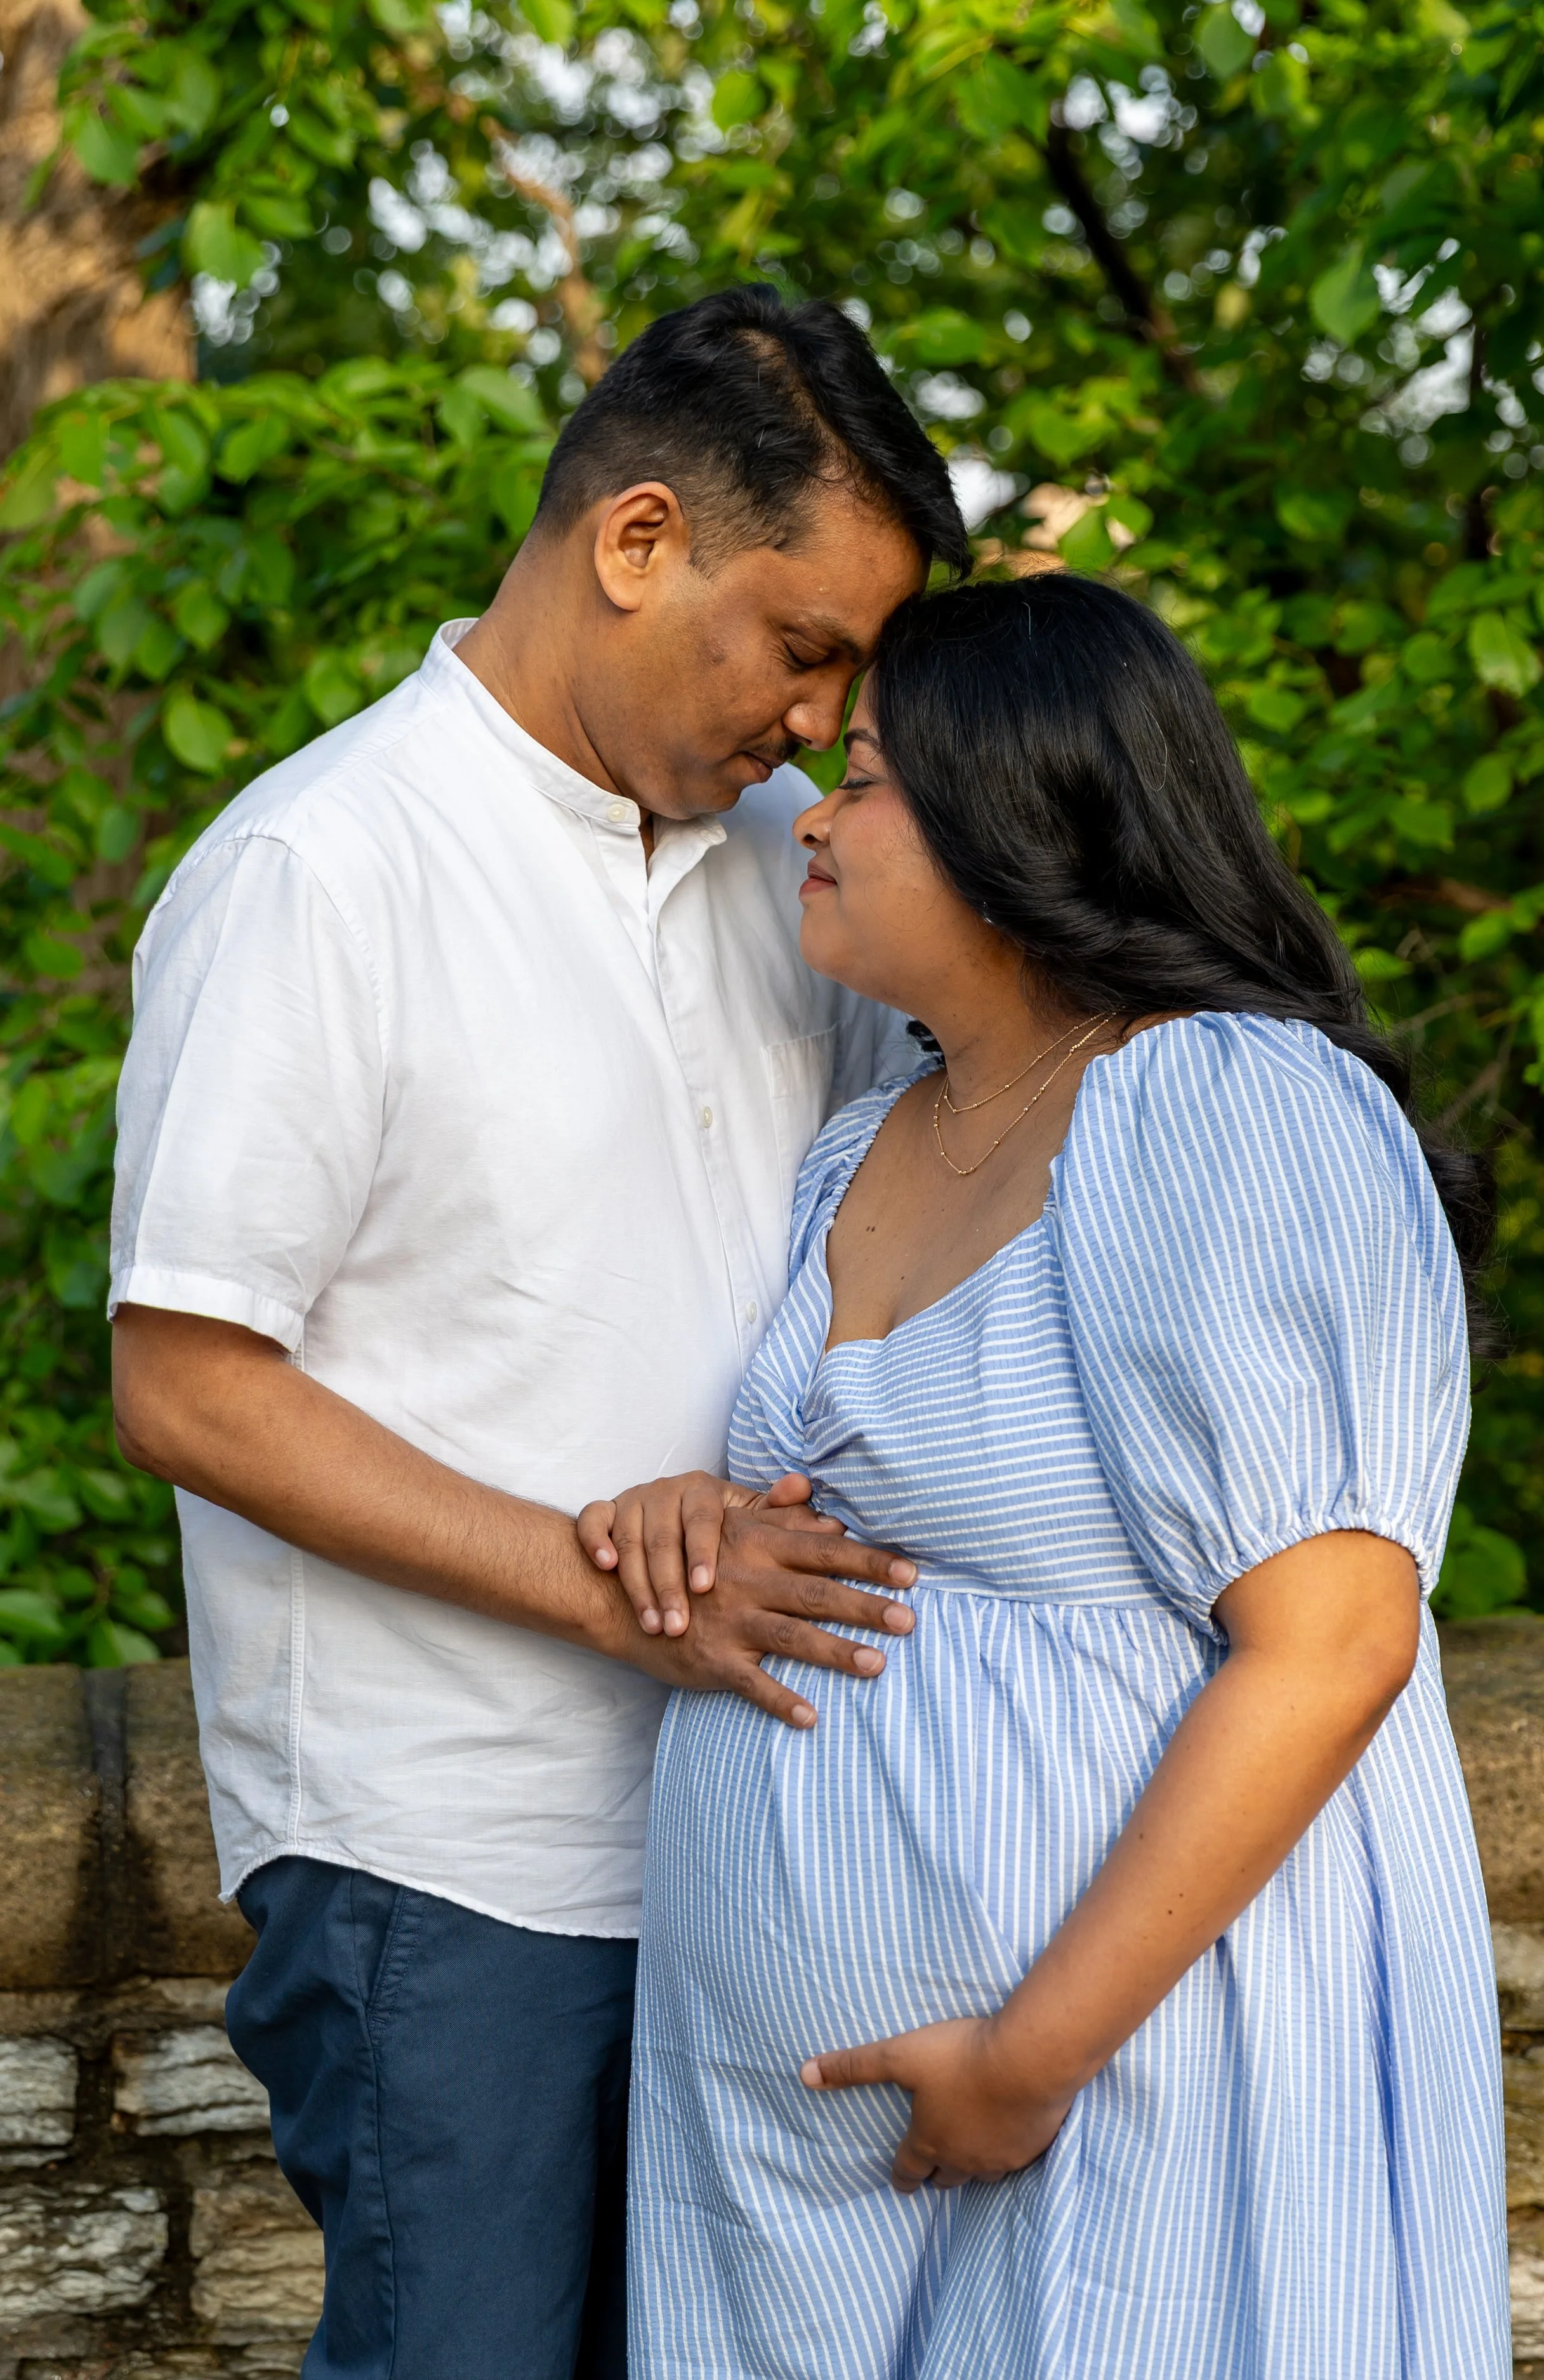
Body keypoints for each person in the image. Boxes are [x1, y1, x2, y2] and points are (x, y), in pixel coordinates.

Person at [106, 286, 968, 2380]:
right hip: (449, 1853)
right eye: (803, 646)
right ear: (638, 539)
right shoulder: (322, 868)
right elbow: (186, 1386)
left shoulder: (795, 868)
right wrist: (617, 1585)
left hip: (758, 1826)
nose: (818, 720)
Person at [595, 573, 1512, 2377]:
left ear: (1017, 816)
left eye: (865, 777)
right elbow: (854, 1518)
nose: (813, 815)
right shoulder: (864, 1141)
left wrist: (1028, 2059)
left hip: (1132, 2087)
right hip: (797, 2178)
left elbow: (1332, 1641)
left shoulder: (1223, 1104)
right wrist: (691, 1522)